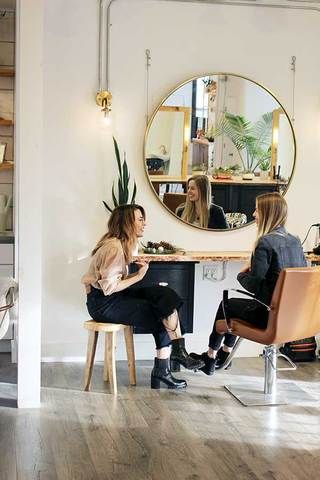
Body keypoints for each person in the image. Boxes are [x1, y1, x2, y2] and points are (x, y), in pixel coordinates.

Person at [82, 204, 204, 389]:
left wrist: (138, 274)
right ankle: (163, 370)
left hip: (110, 298)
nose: (144, 223)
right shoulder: (114, 247)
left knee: (163, 296)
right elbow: (108, 288)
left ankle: (178, 350)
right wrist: (139, 276)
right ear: (127, 223)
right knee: (160, 311)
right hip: (104, 304)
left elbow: (111, 283)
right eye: (140, 219)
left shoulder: (119, 243)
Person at [190, 192, 307, 375]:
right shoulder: (295, 241)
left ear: (268, 213)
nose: (253, 215)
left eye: (257, 210)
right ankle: (224, 353)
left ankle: (211, 356)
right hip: (294, 317)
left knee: (226, 305)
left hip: (268, 316)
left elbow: (254, 285)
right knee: (236, 307)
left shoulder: (265, 242)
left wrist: (241, 273)